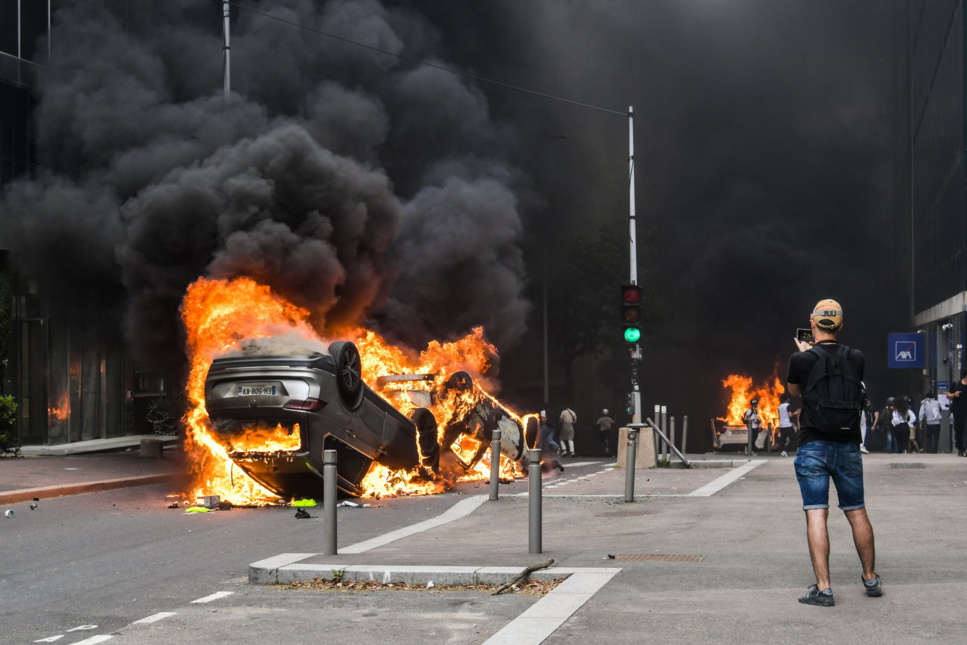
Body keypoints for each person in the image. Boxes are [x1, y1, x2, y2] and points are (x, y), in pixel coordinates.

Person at [786, 298, 881, 606]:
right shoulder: (856, 357)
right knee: (857, 511)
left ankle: (824, 588)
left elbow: (796, 393)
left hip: (813, 444)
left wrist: (806, 355)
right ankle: (870, 578)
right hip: (849, 444)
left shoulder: (800, 360)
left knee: (816, 512)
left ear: (812, 323)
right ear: (840, 325)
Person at [946, 368, 967, 457]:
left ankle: (965, 448)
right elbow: (948, 395)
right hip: (958, 412)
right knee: (959, 430)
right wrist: (954, 394)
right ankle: (960, 448)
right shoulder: (956, 384)